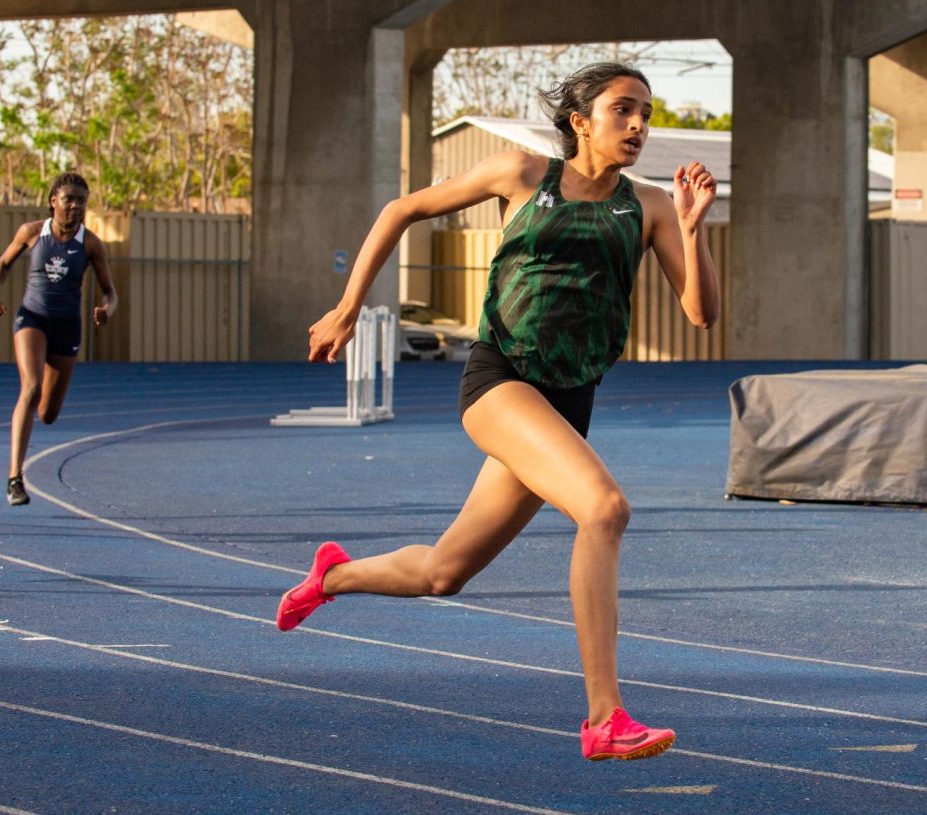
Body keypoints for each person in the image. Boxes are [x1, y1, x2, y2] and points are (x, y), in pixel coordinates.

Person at [275, 62, 719, 761]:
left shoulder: (652, 205)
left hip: (569, 401)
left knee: (444, 572)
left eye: (645, 112)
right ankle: (604, 717)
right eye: (622, 110)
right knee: (603, 508)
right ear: (581, 121)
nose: (638, 125)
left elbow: (701, 314)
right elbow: (399, 211)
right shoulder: (520, 174)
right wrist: (347, 307)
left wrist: (692, 230)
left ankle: (330, 575)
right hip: (501, 380)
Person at [0, 172, 118, 506]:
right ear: (53, 201)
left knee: (47, 414)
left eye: (82, 200)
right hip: (33, 318)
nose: (75, 206)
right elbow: (3, 263)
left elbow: (111, 292)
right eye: (69, 199)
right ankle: (15, 478)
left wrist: (107, 309)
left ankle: (39, 414)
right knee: (30, 387)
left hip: (67, 327)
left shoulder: (91, 244)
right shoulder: (32, 232)